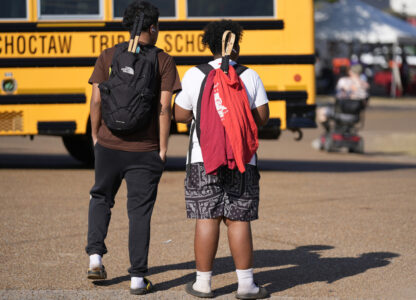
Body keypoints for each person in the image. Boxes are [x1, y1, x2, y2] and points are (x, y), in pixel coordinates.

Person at [85, 0, 181, 295]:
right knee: (139, 213)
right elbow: (165, 108)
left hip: (109, 145)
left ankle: (95, 258)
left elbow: (97, 100)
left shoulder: (109, 55)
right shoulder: (163, 60)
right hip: (145, 149)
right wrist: (163, 149)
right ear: (152, 27)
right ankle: (138, 279)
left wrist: (95, 137)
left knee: (101, 198)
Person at [174, 20, 270, 299]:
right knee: (238, 219)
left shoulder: (194, 74)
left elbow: (180, 115)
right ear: (236, 46)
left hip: (203, 157)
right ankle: (246, 285)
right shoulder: (249, 75)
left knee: (207, 218)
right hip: (242, 159)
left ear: (209, 45)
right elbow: (262, 117)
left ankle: (203, 284)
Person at [317, 64, 369, 131]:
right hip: (355, 116)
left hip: (339, 112)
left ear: (350, 71)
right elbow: (365, 103)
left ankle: (328, 131)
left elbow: (338, 96)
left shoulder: (343, 81)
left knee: (321, 112)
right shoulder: (365, 85)